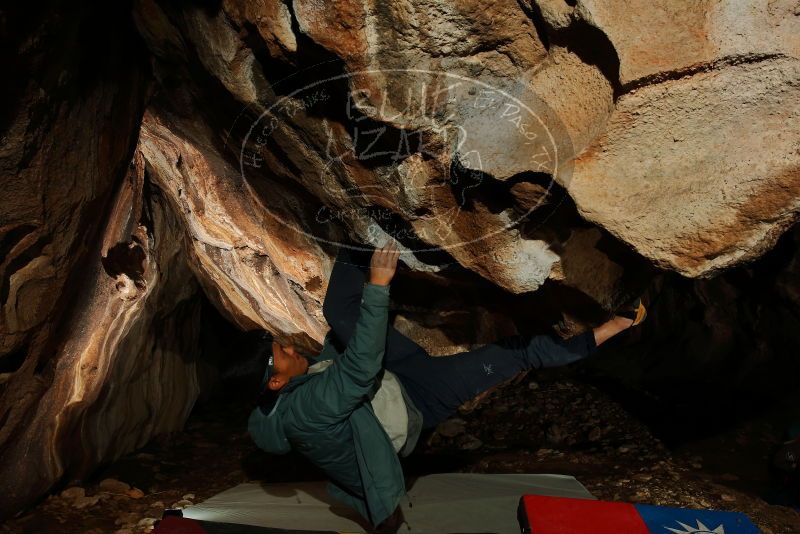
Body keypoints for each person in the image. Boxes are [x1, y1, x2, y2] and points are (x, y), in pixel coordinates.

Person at [247, 241, 646, 533]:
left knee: (338, 311)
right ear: (281, 379)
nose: (285, 346)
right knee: (515, 354)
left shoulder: (281, 402)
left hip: (391, 377)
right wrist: (379, 285)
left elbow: (266, 428)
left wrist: (268, 395)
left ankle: (366, 232)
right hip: (419, 401)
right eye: (280, 354)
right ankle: (617, 326)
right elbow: (362, 364)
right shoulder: (312, 405)